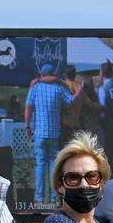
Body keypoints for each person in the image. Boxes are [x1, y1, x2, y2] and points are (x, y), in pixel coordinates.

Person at [26, 64, 81, 205]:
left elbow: (28, 108)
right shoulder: (59, 88)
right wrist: (79, 91)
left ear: (42, 74)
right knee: (52, 165)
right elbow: (70, 101)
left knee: (40, 164)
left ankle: (38, 198)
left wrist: (27, 126)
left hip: (39, 131)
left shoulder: (36, 88)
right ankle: (52, 198)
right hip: (54, 132)